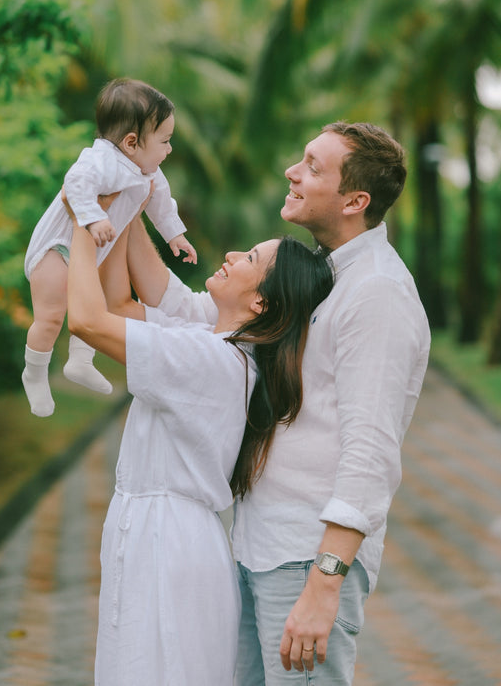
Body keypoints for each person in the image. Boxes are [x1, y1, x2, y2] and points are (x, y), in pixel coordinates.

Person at [129, 121, 431, 685]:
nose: (292, 172)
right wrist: (129, 202)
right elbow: (200, 313)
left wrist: (324, 584)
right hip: (256, 548)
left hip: (305, 561)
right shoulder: (320, 276)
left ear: (355, 201)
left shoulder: (377, 294)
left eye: (314, 167)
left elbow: (371, 453)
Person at [64, 192, 334, 686]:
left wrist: (86, 217)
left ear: (260, 301)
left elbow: (87, 318)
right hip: (161, 532)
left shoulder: (207, 360)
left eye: (250, 258)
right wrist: (126, 198)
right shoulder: (216, 346)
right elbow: (122, 303)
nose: (232, 256)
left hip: (168, 541)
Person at [22, 77, 196, 417]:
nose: (169, 149)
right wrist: (92, 217)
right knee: (52, 316)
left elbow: (160, 202)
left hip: (92, 251)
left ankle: (80, 361)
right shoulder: (101, 160)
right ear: (131, 143)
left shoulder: (148, 171)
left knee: (96, 300)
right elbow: (75, 182)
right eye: (165, 141)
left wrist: (175, 234)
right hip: (56, 248)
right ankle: (34, 372)